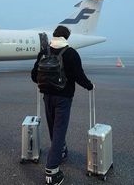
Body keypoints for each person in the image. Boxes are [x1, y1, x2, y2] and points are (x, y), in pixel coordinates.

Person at [31, 25, 93, 185]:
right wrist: (89, 85)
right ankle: (52, 170)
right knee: (59, 130)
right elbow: (79, 76)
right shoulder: (71, 53)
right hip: (63, 98)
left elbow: (33, 76)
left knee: (53, 128)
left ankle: (61, 151)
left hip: (47, 96)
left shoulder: (44, 52)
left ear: (54, 36)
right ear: (66, 37)